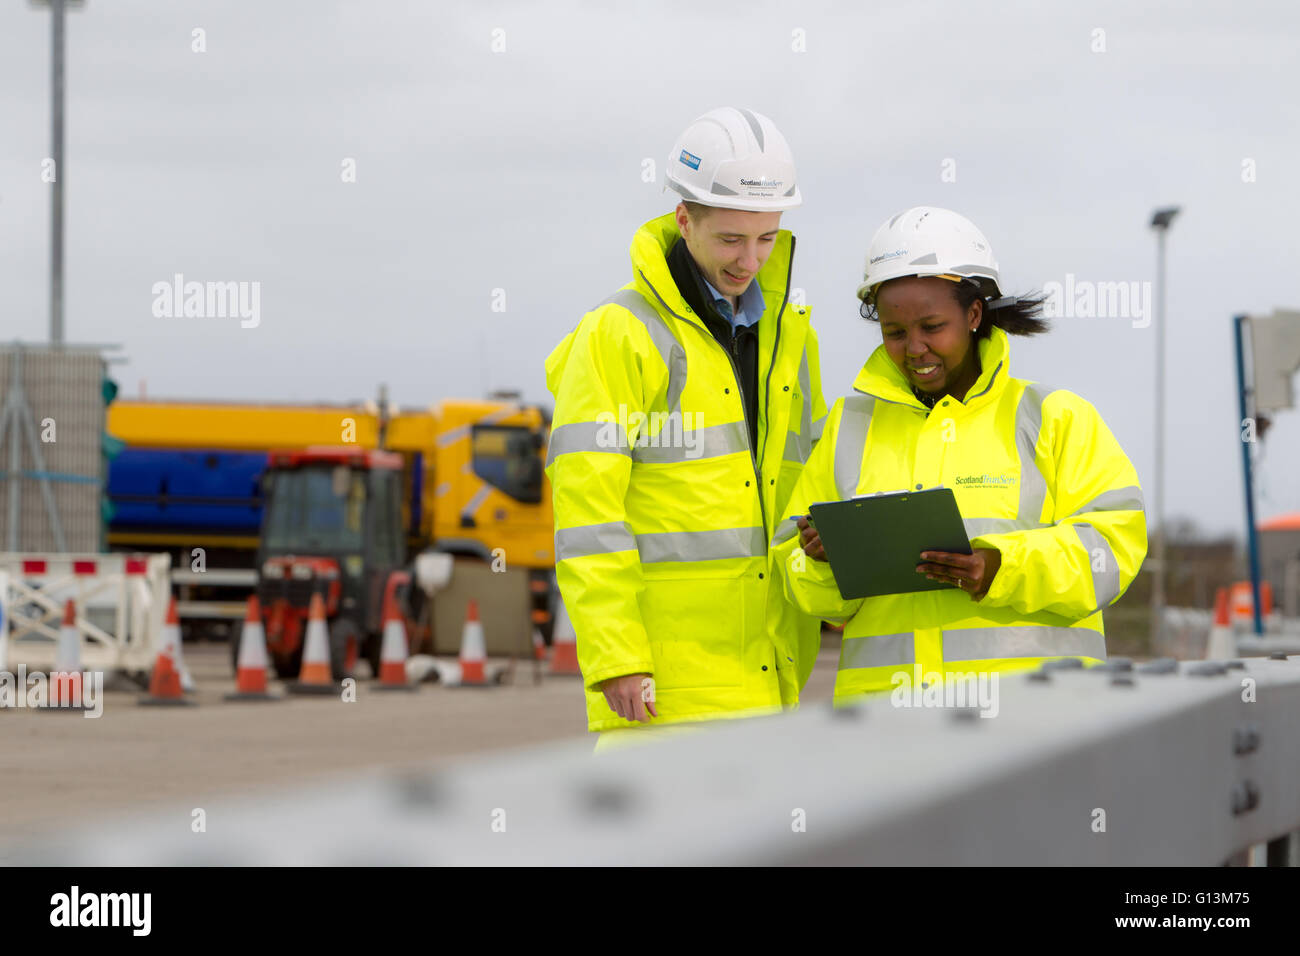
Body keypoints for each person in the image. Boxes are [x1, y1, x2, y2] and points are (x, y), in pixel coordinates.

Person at [772, 206, 1147, 702]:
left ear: (973, 315)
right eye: (895, 332)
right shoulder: (848, 428)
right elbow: (801, 583)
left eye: (932, 326)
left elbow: (1111, 553)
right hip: (885, 731)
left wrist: (999, 567)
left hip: (1033, 723)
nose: (914, 349)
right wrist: (821, 562)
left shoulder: (1054, 418)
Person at [544, 107, 828, 749]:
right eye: (731, 238)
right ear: (683, 219)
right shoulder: (620, 333)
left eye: (766, 238)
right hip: (662, 681)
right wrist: (617, 655)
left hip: (770, 665)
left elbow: (804, 483)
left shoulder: (791, 337)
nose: (749, 259)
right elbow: (587, 508)